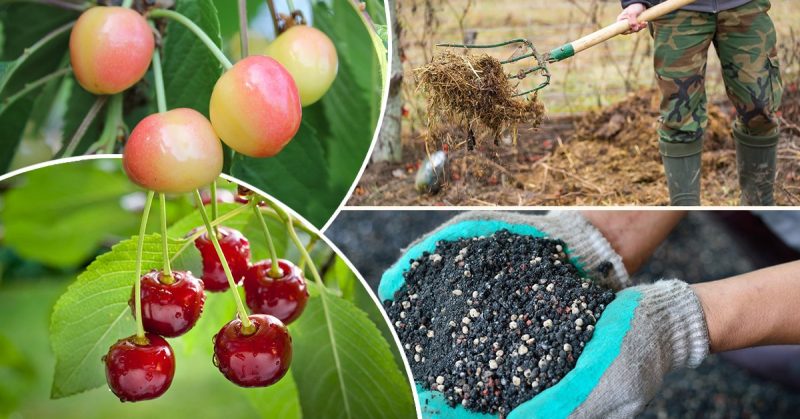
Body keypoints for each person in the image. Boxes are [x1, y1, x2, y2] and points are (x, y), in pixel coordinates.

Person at [617, 0, 784, 205]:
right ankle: (685, 210)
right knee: (679, 116)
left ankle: (759, 205)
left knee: (760, 108)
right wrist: (635, 1)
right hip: (675, 10)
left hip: (743, 5)